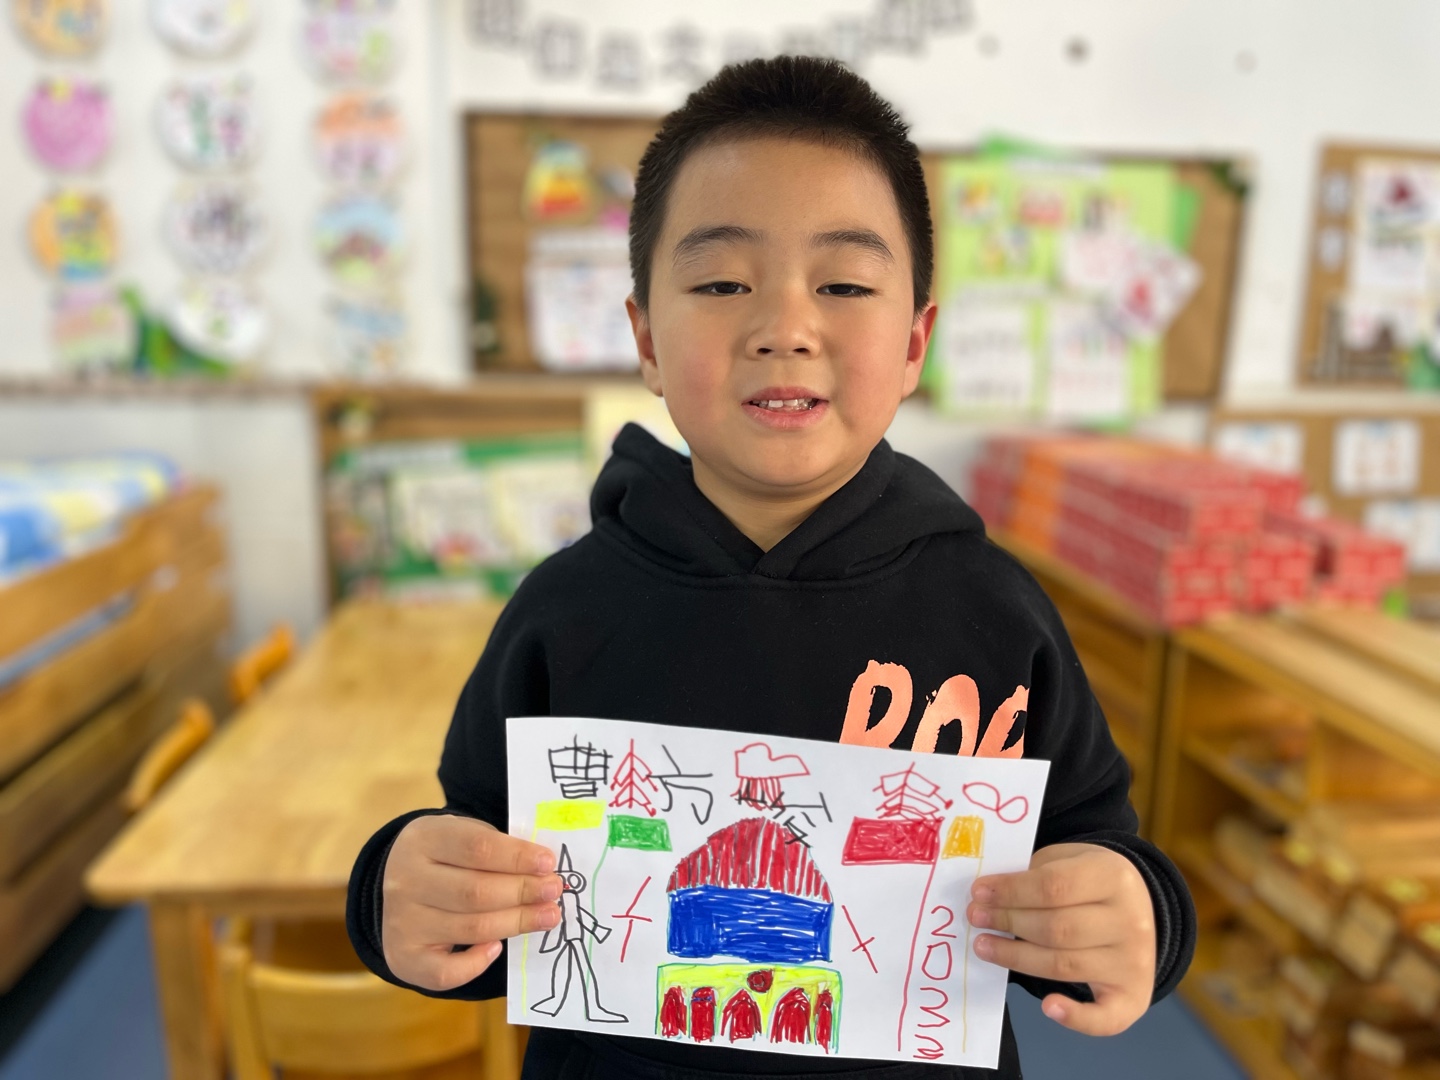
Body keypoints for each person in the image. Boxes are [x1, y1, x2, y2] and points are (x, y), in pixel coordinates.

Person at [347, 55, 1195, 1079]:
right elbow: (479, 873)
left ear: (915, 341)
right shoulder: (563, 613)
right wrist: (404, 893)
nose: (785, 329)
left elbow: (1095, 848)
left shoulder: (997, 615)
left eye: (844, 284)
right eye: (721, 283)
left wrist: (1135, 917)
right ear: (645, 338)